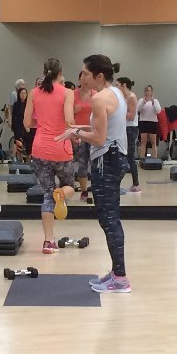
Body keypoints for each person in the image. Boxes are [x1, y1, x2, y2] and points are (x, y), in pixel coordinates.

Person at [56, 54, 131, 293]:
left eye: (86, 74)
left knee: (109, 220)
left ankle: (121, 279)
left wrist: (76, 133)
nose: (82, 78)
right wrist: (78, 129)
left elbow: (99, 138)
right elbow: (102, 128)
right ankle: (117, 273)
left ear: (99, 76)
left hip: (106, 161)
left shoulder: (99, 98)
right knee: (109, 219)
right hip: (113, 158)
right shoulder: (115, 93)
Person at [24, 58, 75, 254]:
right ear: (60, 73)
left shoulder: (33, 93)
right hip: (61, 148)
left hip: (40, 149)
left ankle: (48, 241)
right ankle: (61, 193)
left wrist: (43, 124)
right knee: (70, 186)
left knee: (47, 194)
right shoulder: (67, 93)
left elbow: (27, 123)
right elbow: (69, 121)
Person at [73, 71, 95, 201]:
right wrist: (73, 111)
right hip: (79, 134)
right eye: (83, 77)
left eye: (88, 77)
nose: (85, 80)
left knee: (95, 163)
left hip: (93, 134)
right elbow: (67, 115)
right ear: (79, 79)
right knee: (82, 164)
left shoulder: (96, 94)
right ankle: (84, 191)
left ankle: (96, 189)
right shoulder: (73, 94)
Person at [117, 77, 140, 193]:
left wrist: (118, 112)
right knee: (122, 155)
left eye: (118, 85)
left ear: (124, 85)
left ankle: (136, 184)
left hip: (130, 128)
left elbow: (131, 116)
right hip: (124, 128)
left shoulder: (131, 97)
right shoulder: (122, 97)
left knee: (129, 156)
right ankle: (118, 184)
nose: (116, 87)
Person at [137, 85, 161, 159]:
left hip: (153, 122)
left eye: (149, 90)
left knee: (153, 142)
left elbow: (158, 111)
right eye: (146, 90)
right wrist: (143, 102)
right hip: (143, 122)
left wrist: (153, 103)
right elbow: (138, 109)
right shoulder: (141, 100)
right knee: (143, 142)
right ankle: (141, 159)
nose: (148, 92)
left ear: (152, 92)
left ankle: (154, 159)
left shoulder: (155, 101)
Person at [11, 87, 33, 163]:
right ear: (19, 94)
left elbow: (31, 115)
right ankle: (20, 160)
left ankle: (28, 161)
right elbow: (14, 116)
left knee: (29, 143)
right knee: (19, 143)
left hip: (27, 126)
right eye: (22, 93)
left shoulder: (29, 104)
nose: (23, 95)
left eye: (25, 93)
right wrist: (13, 126)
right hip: (19, 126)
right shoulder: (16, 104)